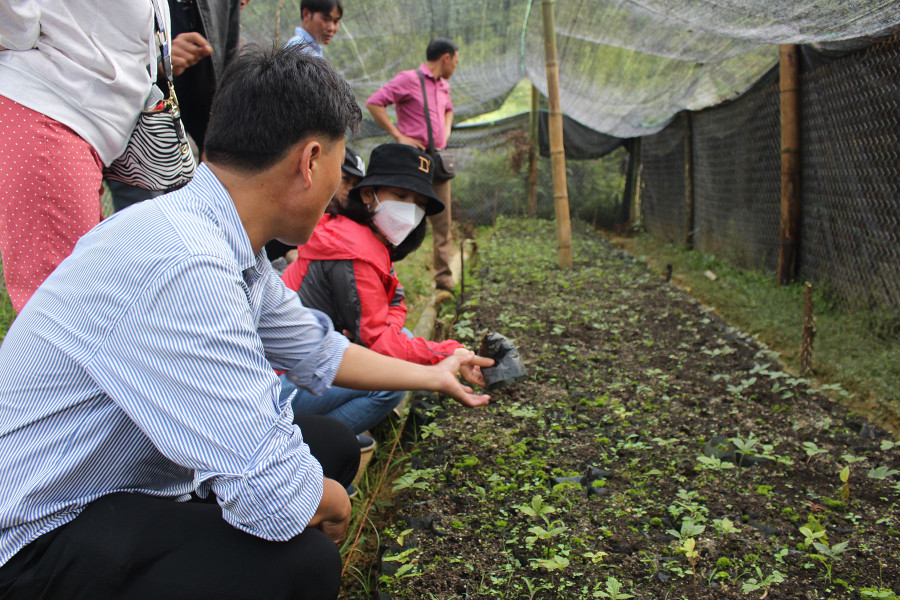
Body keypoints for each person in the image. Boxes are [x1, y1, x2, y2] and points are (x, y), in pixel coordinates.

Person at [0, 46, 489, 598]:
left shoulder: (220, 239)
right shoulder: (186, 265)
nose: (340, 188)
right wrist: (333, 501)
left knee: (331, 445)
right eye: (340, 166)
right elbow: (274, 492)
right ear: (310, 161)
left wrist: (434, 374)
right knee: (303, 565)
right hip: (37, 533)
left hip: (124, 483)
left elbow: (318, 350)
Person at [280, 143, 492, 435]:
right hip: (278, 381)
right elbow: (379, 342)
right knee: (390, 385)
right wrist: (448, 352)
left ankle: (324, 433)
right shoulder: (353, 252)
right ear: (369, 194)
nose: (411, 209)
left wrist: (386, 331)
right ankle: (304, 446)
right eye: (401, 196)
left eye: (419, 202)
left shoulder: (365, 239)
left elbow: (396, 301)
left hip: (307, 357)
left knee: (401, 340)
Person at [0, 0, 168, 312]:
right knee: (63, 311)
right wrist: (16, 29)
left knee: (86, 297)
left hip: (78, 115)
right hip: (52, 106)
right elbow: (14, 24)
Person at [110, 0, 246, 213]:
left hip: (200, 145)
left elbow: (227, 69)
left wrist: (216, 140)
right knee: (147, 222)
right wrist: (158, 63)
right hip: (140, 136)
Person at [366, 38, 460, 292]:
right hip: (412, 161)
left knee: (442, 221)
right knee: (399, 218)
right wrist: (398, 135)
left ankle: (443, 278)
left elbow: (449, 110)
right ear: (446, 58)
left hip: (437, 161)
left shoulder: (444, 86)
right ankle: (384, 272)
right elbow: (375, 102)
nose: (455, 67)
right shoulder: (408, 79)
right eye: (456, 61)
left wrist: (445, 132)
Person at [268, 145, 365, 269]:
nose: (350, 188)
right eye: (346, 179)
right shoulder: (299, 206)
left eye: (355, 184)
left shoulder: (353, 220)